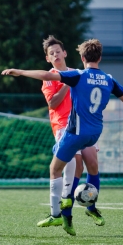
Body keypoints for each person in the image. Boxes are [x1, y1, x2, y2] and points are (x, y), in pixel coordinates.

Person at [1, 38, 123, 236]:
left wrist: (21, 72)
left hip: (75, 131)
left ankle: (63, 206)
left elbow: (44, 73)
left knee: (55, 169)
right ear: (99, 57)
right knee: (87, 165)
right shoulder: (108, 79)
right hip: (94, 133)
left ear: (81, 57)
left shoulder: (77, 75)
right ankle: (83, 207)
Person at [36, 35, 104, 234]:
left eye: (58, 51)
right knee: (76, 164)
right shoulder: (50, 77)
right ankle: (63, 216)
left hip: (83, 124)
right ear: (48, 59)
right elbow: (52, 104)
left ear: (65, 53)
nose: (56, 55)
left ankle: (91, 208)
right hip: (63, 127)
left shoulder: (79, 73)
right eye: (51, 53)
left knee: (91, 162)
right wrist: (67, 82)